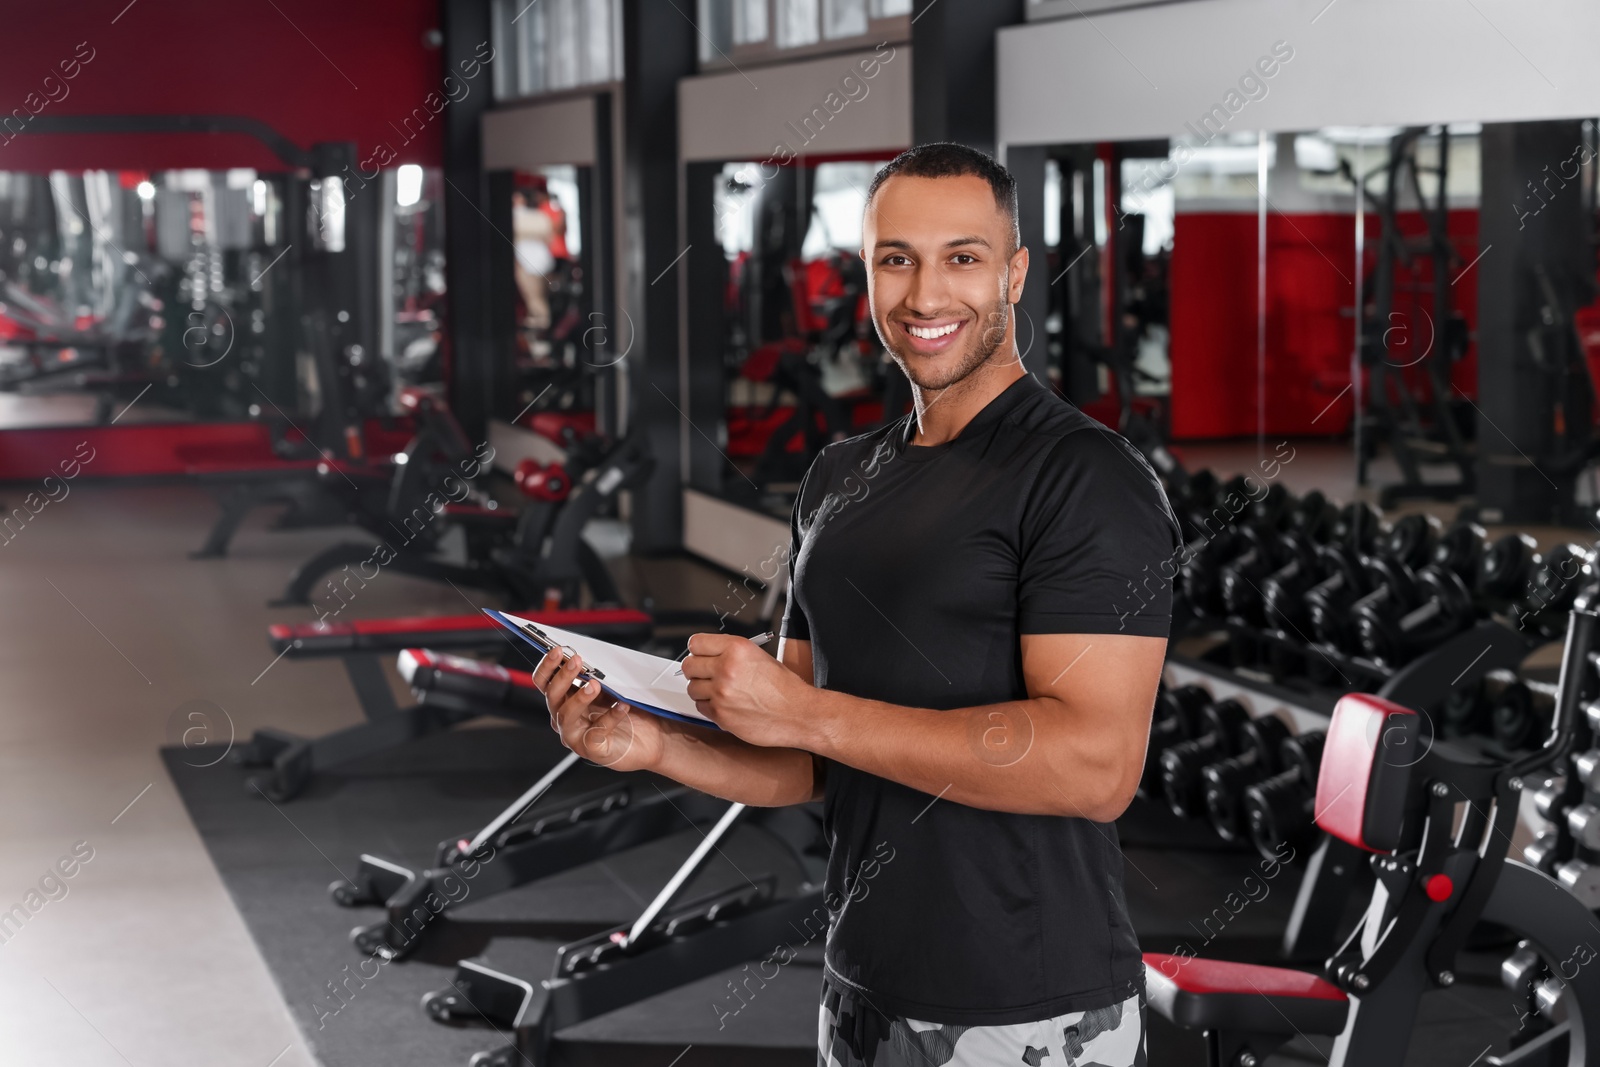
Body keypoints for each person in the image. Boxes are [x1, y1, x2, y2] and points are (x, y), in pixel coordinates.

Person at [533, 142, 1179, 1067]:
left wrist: (808, 711)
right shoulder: (840, 476)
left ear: (1016, 273)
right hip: (864, 989)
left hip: (1027, 1007)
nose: (925, 296)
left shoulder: (1083, 477)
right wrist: (652, 743)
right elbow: (808, 761)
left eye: (962, 257)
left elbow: (1095, 764)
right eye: (895, 258)